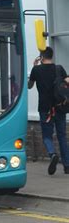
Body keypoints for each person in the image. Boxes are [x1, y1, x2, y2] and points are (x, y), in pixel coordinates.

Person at [28, 46, 69, 175]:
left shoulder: (36, 70)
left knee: (47, 136)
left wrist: (34, 67)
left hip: (45, 108)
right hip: (60, 106)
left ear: (41, 57)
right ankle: (67, 166)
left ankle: (52, 154)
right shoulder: (59, 68)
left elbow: (29, 86)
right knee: (62, 136)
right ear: (52, 56)